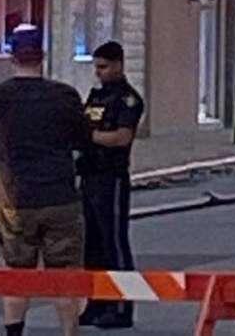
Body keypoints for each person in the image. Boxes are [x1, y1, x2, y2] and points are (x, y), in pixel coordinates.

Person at [0, 25, 89, 336]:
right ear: (42, 56)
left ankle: (15, 332)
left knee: (16, 273)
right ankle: (69, 331)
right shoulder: (64, 96)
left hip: (16, 197)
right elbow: (83, 139)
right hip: (60, 195)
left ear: (13, 57)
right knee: (65, 275)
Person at [78, 42, 146, 330]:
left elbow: (121, 137)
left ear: (118, 64)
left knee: (114, 243)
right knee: (91, 246)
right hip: (89, 176)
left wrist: (88, 137)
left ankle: (121, 307)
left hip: (112, 177)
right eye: (96, 67)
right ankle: (97, 302)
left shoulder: (127, 99)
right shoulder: (96, 96)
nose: (99, 72)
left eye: (104, 67)